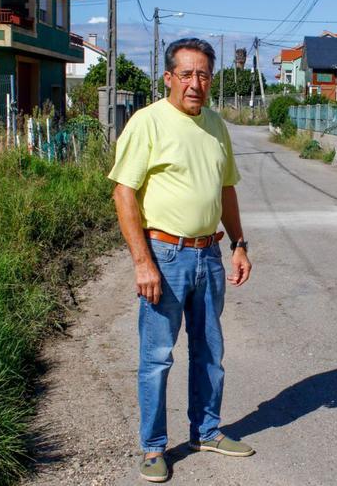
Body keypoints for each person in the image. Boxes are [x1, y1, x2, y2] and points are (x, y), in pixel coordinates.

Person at [108, 37, 253, 483]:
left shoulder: (216, 124)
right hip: (165, 256)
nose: (195, 84)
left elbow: (225, 189)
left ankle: (206, 430)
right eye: (186, 74)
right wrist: (142, 262)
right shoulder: (147, 122)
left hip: (208, 254)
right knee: (157, 357)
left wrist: (239, 243)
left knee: (210, 352)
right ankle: (153, 448)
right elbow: (123, 192)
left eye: (203, 75)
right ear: (168, 77)